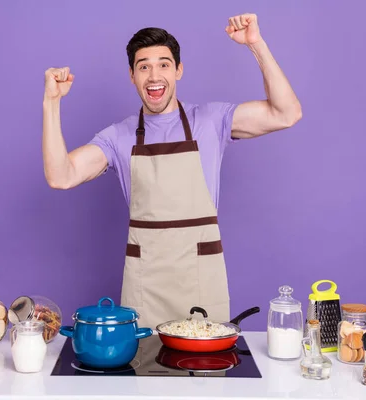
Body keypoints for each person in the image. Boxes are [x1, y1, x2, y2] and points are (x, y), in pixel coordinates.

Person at [42, 13, 302, 329]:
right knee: (144, 367)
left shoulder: (210, 121)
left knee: (204, 370)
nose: (154, 75)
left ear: (178, 70)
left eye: (164, 64)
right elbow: (61, 175)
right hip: (145, 284)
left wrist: (256, 44)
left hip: (200, 277)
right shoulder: (118, 137)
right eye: (144, 66)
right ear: (132, 75)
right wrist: (51, 103)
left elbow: (286, 113)